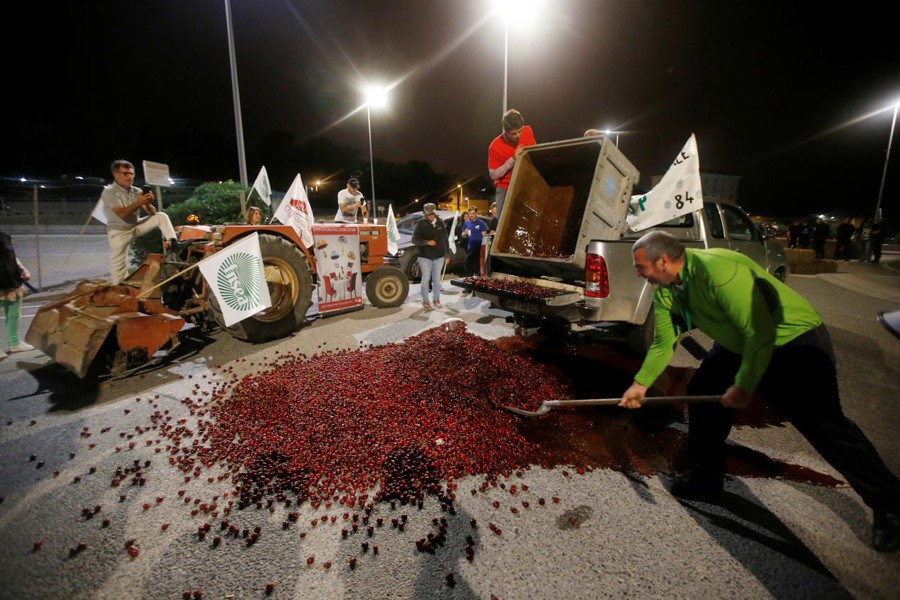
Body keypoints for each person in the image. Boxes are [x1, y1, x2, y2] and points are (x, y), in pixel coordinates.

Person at [618, 230, 900, 553]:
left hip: (791, 339)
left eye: (641, 267)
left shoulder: (719, 273)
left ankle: (889, 503)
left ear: (663, 261)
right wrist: (641, 384)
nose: (638, 273)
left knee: (824, 426)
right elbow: (663, 341)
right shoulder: (666, 289)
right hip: (740, 340)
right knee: (705, 390)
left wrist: (744, 385)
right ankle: (707, 473)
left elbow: (760, 332)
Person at [100, 159, 178, 284]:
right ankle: (119, 287)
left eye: (132, 174)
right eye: (126, 174)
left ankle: (173, 244)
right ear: (116, 175)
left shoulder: (135, 191)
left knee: (161, 216)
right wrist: (140, 202)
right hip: (119, 231)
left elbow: (152, 213)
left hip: (135, 225)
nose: (130, 177)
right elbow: (122, 214)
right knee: (118, 263)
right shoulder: (110, 192)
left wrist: (147, 203)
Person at [487, 109, 536, 217]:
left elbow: (535, 153)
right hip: (505, 187)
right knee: (503, 221)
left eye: (520, 131)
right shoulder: (494, 146)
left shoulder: (527, 130)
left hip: (526, 183)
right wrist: (513, 159)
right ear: (506, 131)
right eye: (514, 133)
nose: (518, 136)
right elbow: (493, 174)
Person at [0, 231, 34, 358]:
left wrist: (23, 269)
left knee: (14, 314)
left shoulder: (4, 236)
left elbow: (12, 257)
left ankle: (15, 343)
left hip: (11, 281)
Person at [410, 203, 449, 310]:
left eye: (433, 214)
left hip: (439, 256)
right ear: (425, 214)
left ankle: (436, 299)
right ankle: (426, 301)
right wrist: (427, 242)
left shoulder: (440, 222)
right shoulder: (420, 224)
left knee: (436, 279)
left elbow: (445, 238)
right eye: (429, 214)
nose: (431, 216)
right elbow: (414, 240)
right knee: (426, 279)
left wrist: (447, 254)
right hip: (424, 256)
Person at [461, 206, 488, 277]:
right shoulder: (466, 223)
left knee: (470, 264)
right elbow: (463, 235)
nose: (471, 215)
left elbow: (485, 236)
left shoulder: (481, 223)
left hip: (479, 248)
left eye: (473, 213)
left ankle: (475, 281)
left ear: (476, 213)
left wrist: (484, 236)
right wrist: (465, 233)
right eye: (470, 213)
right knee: (471, 266)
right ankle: (471, 282)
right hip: (470, 248)